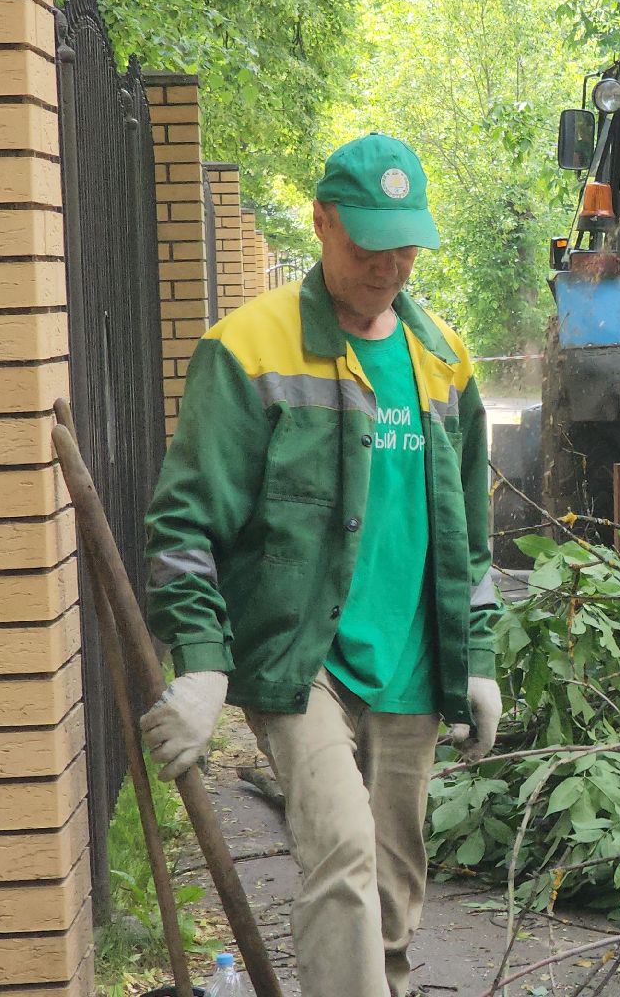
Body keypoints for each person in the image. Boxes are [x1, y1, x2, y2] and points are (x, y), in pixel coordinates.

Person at [139, 133, 502, 997]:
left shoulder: (442, 357)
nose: (390, 264)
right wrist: (201, 665)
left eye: (405, 244)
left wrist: (478, 659)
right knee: (340, 854)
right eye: (369, 243)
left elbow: (473, 534)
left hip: (413, 660)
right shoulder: (249, 349)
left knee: (392, 884)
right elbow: (182, 523)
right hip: (303, 656)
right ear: (322, 223)